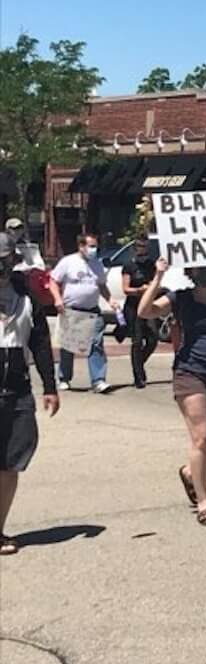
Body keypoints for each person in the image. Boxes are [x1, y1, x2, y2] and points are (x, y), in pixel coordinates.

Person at [140, 257, 206, 528]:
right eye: (201, 268)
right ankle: (204, 503)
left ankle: (190, 472)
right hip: (191, 372)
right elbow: (145, 311)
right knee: (201, 438)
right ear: (191, 271)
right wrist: (158, 277)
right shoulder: (180, 298)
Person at [0, 232, 59, 556]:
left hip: (17, 386)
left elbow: (39, 341)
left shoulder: (25, 295)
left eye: (4, 263)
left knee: (11, 461)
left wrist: (49, 385)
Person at [50, 233, 114, 394]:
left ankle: (98, 380)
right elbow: (53, 281)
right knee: (68, 346)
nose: (94, 249)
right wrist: (57, 299)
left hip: (92, 311)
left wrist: (110, 299)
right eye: (91, 246)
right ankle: (64, 378)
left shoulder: (97, 264)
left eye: (95, 246)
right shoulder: (68, 262)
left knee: (96, 345)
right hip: (72, 310)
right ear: (81, 246)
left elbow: (101, 285)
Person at [121, 235, 158, 389]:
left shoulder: (151, 265)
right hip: (133, 306)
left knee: (153, 339)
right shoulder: (129, 265)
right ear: (135, 249)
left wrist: (151, 288)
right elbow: (125, 289)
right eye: (139, 247)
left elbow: (157, 282)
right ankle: (138, 376)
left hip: (148, 305)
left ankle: (138, 363)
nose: (142, 250)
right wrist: (139, 290)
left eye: (145, 247)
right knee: (137, 341)